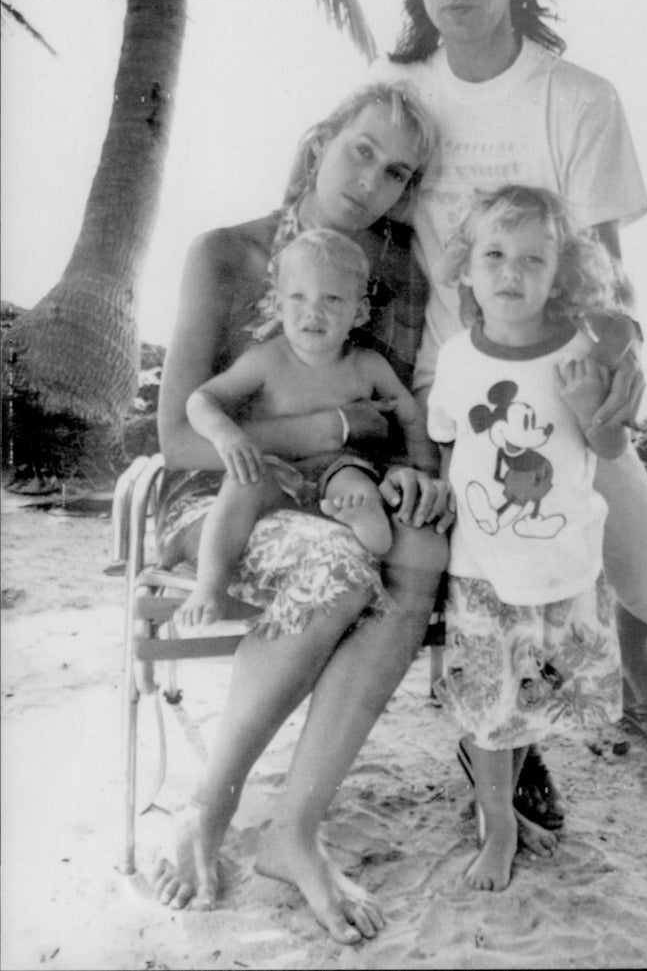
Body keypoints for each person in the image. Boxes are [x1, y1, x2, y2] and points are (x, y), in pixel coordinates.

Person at [367, 0, 647, 802]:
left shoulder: (580, 98)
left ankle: (640, 685)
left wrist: (621, 354)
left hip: (563, 384)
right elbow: (350, 210)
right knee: (487, 568)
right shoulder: (398, 90)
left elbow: (603, 266)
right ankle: (515, 757)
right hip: (449, 388)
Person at [153, 81, 452, 943]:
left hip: (332, 491)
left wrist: (412, 478)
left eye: (397, 172)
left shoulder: (392, 279)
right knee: (333, 567)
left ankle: (295, 830)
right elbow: (179, 435)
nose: (372, 181)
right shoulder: (225, 253)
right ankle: (211, 808)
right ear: (323, 139)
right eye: (362, 150)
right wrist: (322, 427)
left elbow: (392, 413)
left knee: (420, 548)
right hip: (221, 496)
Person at [428, 184, 630, 891]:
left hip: (564, 566)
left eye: (533, 259)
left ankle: (504, 806)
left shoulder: (579, 351)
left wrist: (585, 403)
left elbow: (607, 443)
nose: (511, 272)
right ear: (468, 268)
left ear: (559, 272)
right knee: (491, 709)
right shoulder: (457, 357)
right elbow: (448, 441)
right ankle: (500, 825)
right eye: (494, 254)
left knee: (536, 698)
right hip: (484, 567)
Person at [178, 228, 438, 628]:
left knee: (358, 483)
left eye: (331, 299)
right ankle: (210, 586)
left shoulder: (367, 365)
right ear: (278, 305)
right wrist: (225, 434)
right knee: (240, 485)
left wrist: (423, 465)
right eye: (298, 297)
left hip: (340, 468)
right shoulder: (266, 360)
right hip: (276, 470)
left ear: (359, 312)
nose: (312, 312)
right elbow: (201, 400)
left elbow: (408, 412)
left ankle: (364, 520)